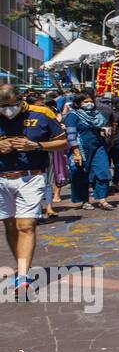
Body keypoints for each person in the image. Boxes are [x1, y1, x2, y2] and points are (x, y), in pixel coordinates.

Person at [0, 86, 68, 297]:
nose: (7, 110)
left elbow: (63, 141)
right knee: (10, 224)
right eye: (3, 106)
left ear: (21, 101)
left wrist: (36, 145)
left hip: (31, 176)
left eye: (11, 105)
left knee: (26, 224)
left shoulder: (42, 113)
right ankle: (21, 267)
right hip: (2, 178)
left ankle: (23, 277)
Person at [64, 92, 113, 210]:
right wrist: (76, 152)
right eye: (86, 102)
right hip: (81, 148)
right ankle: (84, 200)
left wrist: (105, 130)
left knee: (103, 171)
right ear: (78, 103)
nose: (89, 104)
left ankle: (102, 199)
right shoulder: (72, 116)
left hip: (98, 146)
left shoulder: (97, 115)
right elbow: (71, 135)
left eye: (91, 101)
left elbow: (101, 127)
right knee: (81, 174)